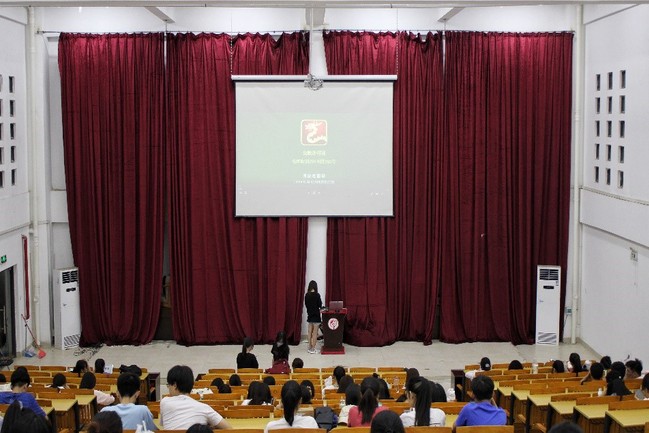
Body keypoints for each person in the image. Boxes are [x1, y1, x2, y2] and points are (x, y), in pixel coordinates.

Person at [160, 365, 231, 430]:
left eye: (168, 385)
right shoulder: (204, 408)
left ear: (175, 385)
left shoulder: (164, 402)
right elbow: (229, 429)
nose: (168, 388)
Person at [304, 280, 323, 354]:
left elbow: (306, 305)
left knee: (309, 332)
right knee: (315, 333)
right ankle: (313, 348)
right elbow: (320, 305)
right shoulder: (317, 295)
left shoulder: (307, 295)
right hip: (316, 316)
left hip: (310, 316)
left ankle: (309, 347)